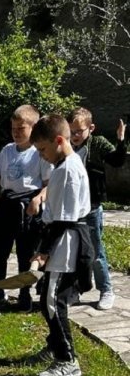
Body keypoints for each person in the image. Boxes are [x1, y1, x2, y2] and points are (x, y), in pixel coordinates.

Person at [29, 114, 93, 376]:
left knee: (52, 302)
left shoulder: (68, 170)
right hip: (59, 241)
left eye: (43, 150)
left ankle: (67, 360)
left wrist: (43, 251)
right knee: (48, 298)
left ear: (58, 140)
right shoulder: (64, 165)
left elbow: (64, 219)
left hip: (65, 246)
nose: (42, 156)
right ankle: (56, 346)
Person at [0, 105, 52, 313]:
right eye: (13, 128)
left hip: (28, 207)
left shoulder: (38, 153)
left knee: (25, 254)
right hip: (7, 204)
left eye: (21, 128)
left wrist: (39, 198)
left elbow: (49, 184)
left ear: (33, 127)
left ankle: (24, 294)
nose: (15, 132)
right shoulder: (7, 150)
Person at [67, 107, 126, 310]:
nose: (75, 136)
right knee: (74, 252)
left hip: (91, 207)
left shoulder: (97, 143)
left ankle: (106, 289)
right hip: (71, 208)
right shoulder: (66, 146)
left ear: (90, 128)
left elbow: (117, 161)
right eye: (71, 131)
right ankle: (76, 289)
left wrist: (120, 140)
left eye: (79, 131)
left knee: (95, 252)